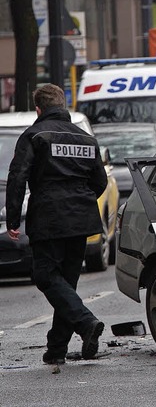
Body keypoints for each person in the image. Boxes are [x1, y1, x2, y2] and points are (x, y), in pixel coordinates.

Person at [6, 84, 108, 365]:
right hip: (81, 217)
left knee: (45, 275)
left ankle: (86, 323)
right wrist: (81, 200)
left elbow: (18, 177)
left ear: (38, 109)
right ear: (63, 106)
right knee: (67, 283)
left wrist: (13, 219)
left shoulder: (35, 135)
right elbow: (100, 181)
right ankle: (56, 350)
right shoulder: (87, 139)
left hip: (49, 216)